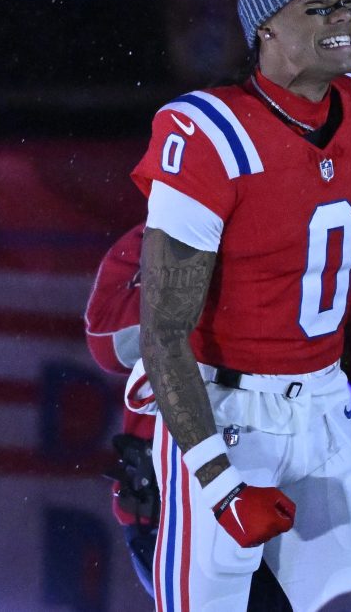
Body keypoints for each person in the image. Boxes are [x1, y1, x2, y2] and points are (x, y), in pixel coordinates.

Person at [129, 0, 351, 611]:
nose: (343, 18)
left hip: (326, 411)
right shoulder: (209, 133)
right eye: (317, 6)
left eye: (347, 3)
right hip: (224, 411)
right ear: (266, 28)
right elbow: (162, 330)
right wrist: (220, 483)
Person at [85, 222, 293, 610]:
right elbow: (109, 345)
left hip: (293, 492)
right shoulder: (168, 223)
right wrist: (210, 279)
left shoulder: (320, 231)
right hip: (175, 507)